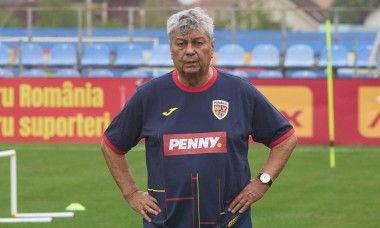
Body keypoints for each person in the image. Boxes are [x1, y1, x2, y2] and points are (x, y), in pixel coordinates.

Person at [101, 7, 297, 228]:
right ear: (171, 49)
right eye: (181, 43)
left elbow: (285, 138)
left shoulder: (239, 91)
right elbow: (111, 145)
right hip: (166, 223)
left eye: (198, 42)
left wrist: (262, 182)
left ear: (212, 47)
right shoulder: (149, 95)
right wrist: (131, 193)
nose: (190, 51)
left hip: (230, 222)